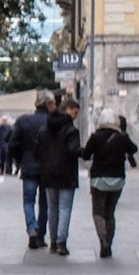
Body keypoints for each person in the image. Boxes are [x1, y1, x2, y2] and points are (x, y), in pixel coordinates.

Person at [81, 108, 139, 258]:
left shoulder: (95, 137)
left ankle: (103, 241)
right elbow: (134, 149)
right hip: (118, 179)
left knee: (98, 212)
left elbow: (86, 155)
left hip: (99, 179)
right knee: (110, 213)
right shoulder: (121, 137)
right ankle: (109, 243)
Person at [7, 89, 58, 249]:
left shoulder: (23, 121)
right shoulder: (52, 121)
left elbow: (13, 144)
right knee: (44, 203)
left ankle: (31, 229)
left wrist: (20, 160)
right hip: (48, 167)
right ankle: (41, 236)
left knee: (28, 201)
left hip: (28, 166)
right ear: (48, 104)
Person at [36, 96, 82, 256]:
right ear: (68, 110)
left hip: (48, 173)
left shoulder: (44, 129)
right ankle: (62, 242)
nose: (75, 116)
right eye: (75, 112)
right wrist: (84, 152)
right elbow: (73, 150)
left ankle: (53, 241)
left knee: (52, 208)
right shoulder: (71, 130)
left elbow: (37, 150)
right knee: (64, 208)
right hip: (67, 173)